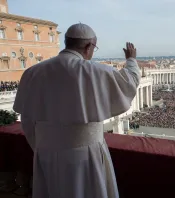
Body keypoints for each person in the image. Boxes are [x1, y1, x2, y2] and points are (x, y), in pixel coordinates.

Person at [13, 23, 141, 198]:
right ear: (88, 47)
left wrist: (43, 145)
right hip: (85, 156)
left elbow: (26, 119)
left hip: (46, 154)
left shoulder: (32, 73)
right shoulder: (95, 70)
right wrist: (131, 60)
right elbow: (129, 82)